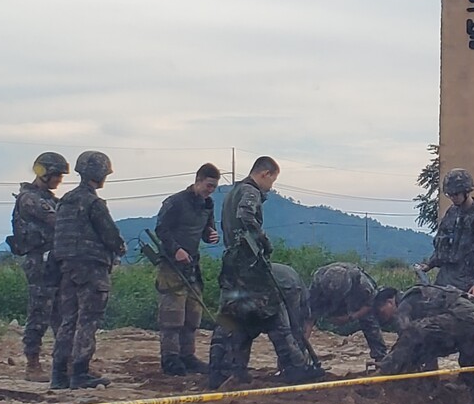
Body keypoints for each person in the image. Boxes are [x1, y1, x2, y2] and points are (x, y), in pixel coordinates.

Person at [207, 156, 323, 389]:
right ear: (264, 174)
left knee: (230, 319)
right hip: (251, 267)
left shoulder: (232, 192)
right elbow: (246, 216)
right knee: (275, 318)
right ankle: (295, 368)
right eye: (272, 180)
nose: (271, 186)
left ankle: (222, 369)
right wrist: (262, 240)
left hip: (232, 267)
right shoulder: (251, 192)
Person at [51, 150, 126, 390]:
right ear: (99, 173)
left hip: (67, 268)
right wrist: (119, 249)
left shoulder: (65, 201)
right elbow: (111, 235)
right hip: (92, 269)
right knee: (87, 321)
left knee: (67, 321)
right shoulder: (93, 203)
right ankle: (80, 372)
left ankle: (59, 374)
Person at [377, 283, 474, 404]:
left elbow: (407, 338)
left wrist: (386, 366)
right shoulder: (424, 296)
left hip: (459, 318)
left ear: (390, 302)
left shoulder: (404, 305)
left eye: (381, 311)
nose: (384, 317)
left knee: (414, 332)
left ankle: (395, 375)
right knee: (473, 372)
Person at [153, 163, 221, 376]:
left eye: (214, 187)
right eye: (208, 185)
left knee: (192, 314)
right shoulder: (175, 202)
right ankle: (170, 359)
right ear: (198, 180)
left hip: (192, 264)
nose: (210, 190)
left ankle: (188, 355)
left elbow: (207, 230)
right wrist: (176, 250)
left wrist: (212, 236)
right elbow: (161, 229)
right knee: (172, 315)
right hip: (172, 265)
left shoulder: (208, 205)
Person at [8, 152, 69, 382]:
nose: (59, 180)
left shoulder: (48, 198)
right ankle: (32, 364)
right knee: (39, 312)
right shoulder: (30, 199)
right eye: (56, 175)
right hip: (39, 262)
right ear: (44, 173)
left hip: (54, 259)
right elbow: (59, 221)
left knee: (61, 314)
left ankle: (64, 362)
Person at [416, 168, 474, 304]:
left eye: (456, 194)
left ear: (467, 191)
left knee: (464, 317)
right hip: (445, 276)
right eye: (449, 195)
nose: (453, 198)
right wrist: (429, 265)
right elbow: (442, 245)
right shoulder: (451, 213)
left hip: (466, 280)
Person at [308, 262, 395, 364]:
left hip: (353, 298)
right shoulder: (318, 281)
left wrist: (351, 317)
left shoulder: (363, 285)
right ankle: (300, 354)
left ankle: (380, 356)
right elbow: (309, 312)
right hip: (326, 298)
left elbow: (369, 305)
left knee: (369, 320)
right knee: (306, 318)